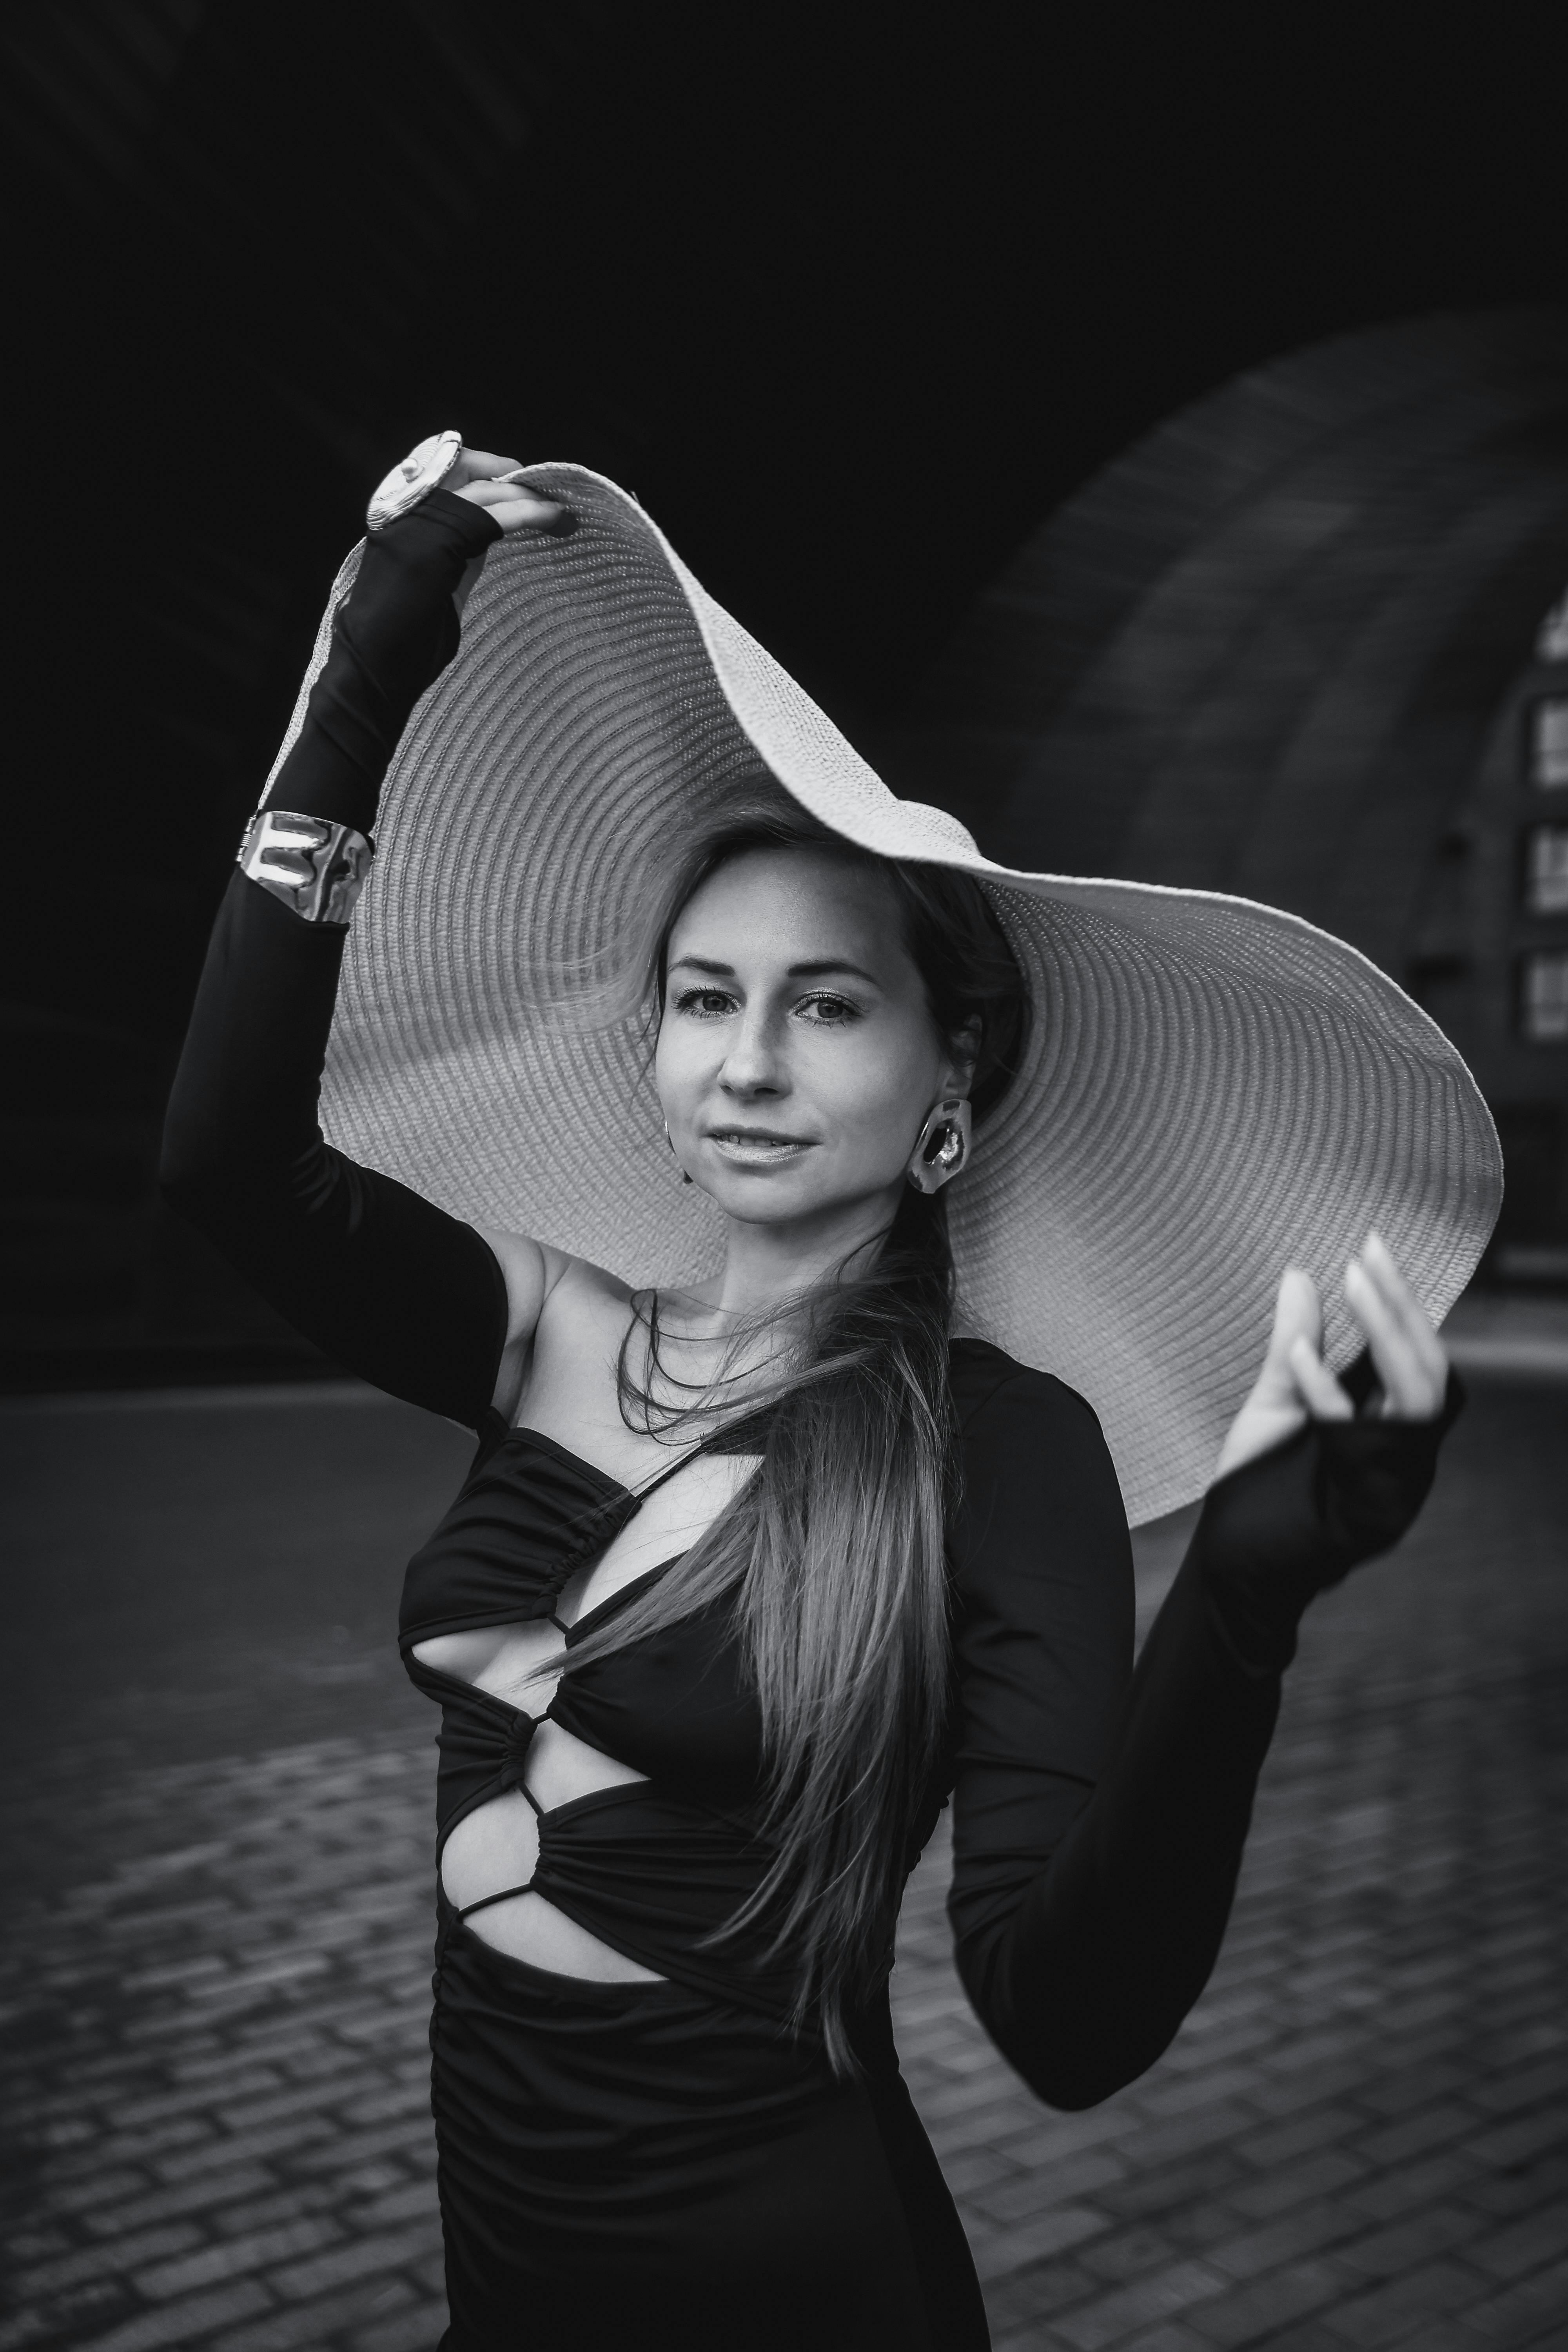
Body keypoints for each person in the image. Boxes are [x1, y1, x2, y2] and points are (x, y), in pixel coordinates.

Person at [162, 443, 1488, 2352]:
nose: (748, 1063)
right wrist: (358, 694)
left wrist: (1243, 1598)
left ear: (949, 1082)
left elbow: (1064, 2018)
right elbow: (227, 1162)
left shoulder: (1000, 1450)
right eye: (706, 998)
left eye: (827, 1003)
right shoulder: (549, 1333)